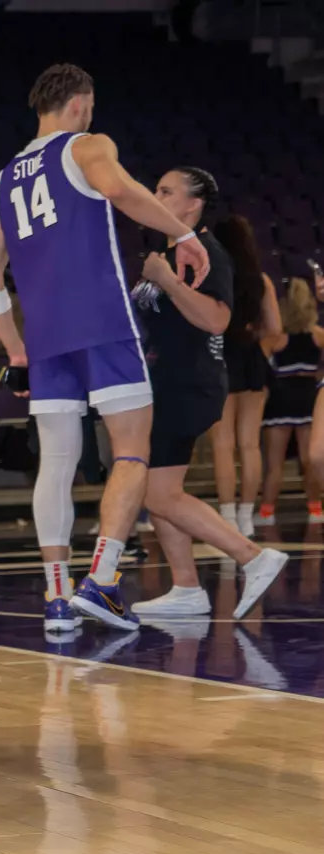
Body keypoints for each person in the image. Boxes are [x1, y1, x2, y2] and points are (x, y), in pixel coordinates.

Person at [0, 63, 211, 634]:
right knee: (132, 449)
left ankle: (57, 600)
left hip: (46, 337)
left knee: (55, 464)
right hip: (103, 320)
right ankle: (101, 580)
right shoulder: (86, 145)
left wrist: (15, 350)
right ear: (80, 104)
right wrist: (181, 234)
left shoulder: (1, 181)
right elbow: (118, 189)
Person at [127, 170, 287, 619]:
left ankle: (252, 556)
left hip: (189, 384)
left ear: (193, 205)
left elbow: (217, 319)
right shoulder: (168, 250)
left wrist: (169, 281)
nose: (154, 197)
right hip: (165, 382)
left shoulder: (205, 252)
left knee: (159, 494)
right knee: (156, 488)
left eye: (165, 192)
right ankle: (186, 587)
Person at [210, 221, 276, 537]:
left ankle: (227, 517)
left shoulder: (214, 276)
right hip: (252, 358)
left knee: (223, 445)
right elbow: (275, 329)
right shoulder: (261, 281)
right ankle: (247, 516)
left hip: (220, 356)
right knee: (250, 444)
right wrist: (254, 336)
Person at [261, 276, 324, 523]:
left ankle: (267, 511)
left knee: (274, 464)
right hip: (308, 398)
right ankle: (315, 508)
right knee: (310, 459)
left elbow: (260, 366)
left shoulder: (275, 338)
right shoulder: (318, 336)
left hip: (280, 400)